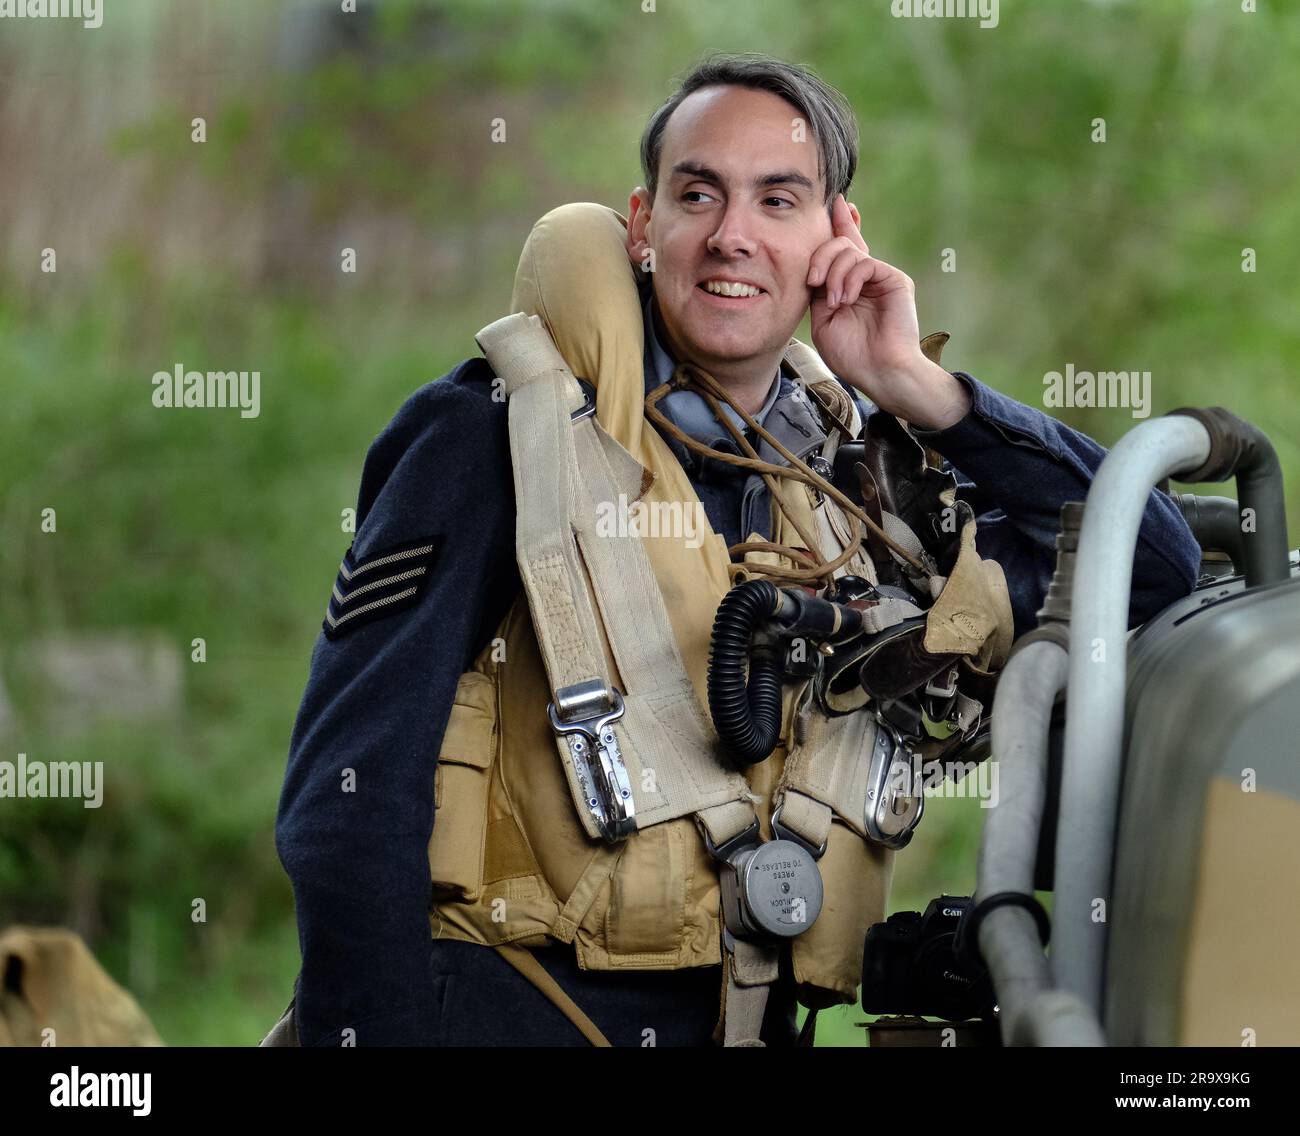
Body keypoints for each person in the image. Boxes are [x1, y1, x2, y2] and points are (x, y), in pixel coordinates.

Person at [273, 52, 1202, 1047]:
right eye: (698, 193)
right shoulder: (497, 437)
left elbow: (1147, 560)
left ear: (834, 237)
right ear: (643, 225)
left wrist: (916, 386)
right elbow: (348, 801)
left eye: (777, 199)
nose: (731, 236)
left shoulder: (856, 489)